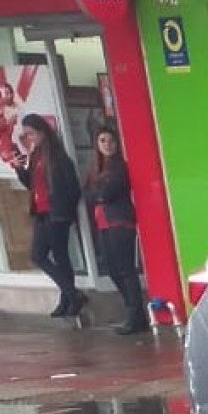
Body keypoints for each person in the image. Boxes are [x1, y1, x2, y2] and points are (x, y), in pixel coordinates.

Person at [14, 114, 82, 321]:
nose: (29, 138)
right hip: (42, 212)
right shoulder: (35, 157)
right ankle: (71, 295)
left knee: (59, 256)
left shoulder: (58, 157)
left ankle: (70, 297)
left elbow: (73, 188)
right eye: (25, 135)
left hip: (57, 214)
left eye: (31, 134)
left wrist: (65, 210)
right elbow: (32, 185)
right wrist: (19, 168)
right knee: (39, 255)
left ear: (42, 133)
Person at [83, 122, 147, 336]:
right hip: (103, 223)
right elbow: (90, 194)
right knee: (112, 269)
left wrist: (97, 193)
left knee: (125, 269)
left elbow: (106, 193)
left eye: (111, 141)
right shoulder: (96, 168)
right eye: (103, 141)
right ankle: (135, 312)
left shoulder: (119, 167)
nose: (107, 145)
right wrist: (96, 193)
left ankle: (135, 315)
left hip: (120, 223)